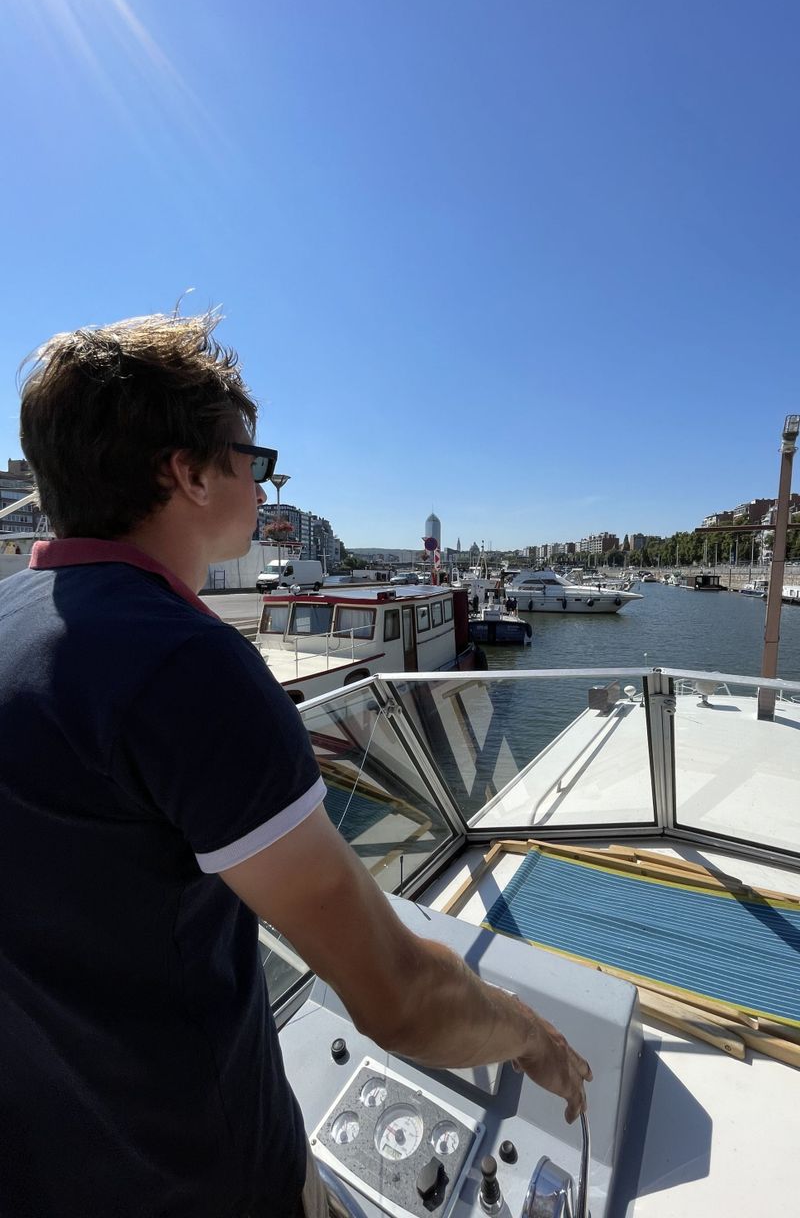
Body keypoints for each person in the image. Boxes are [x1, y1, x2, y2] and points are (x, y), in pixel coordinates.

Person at [0, 312, 590, 1218]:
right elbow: (398, 997)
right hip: (201, 1174)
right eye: (253, 456)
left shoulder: (14, 614)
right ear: (188, 472)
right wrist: (531, 1037)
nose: (263, 476)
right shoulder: (185, 669)